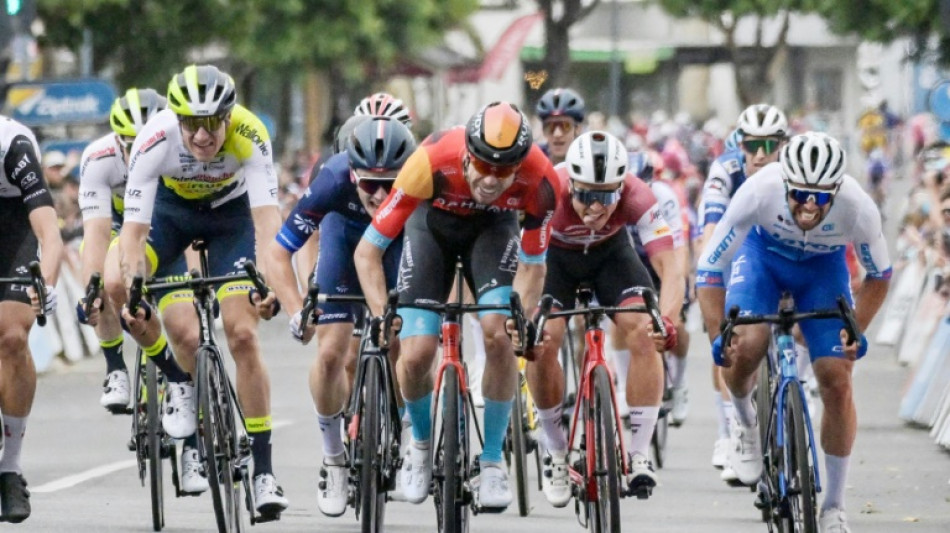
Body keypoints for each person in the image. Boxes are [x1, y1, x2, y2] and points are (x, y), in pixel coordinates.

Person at [354, 101, 559, 510]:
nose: (490, 178)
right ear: (467, 152)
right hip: (431, 229)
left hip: (493, 232)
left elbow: (534, 267)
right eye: (482, 164)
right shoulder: (428, 163)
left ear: (520, 167)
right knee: (414, 354)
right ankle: (421, 444)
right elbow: (367, 253)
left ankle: (493, 459)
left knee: (499, 335)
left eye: (503, 171)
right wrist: (382, 315)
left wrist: (523, 317)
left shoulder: (543, 182)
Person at [696, 132, 891, 533]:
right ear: (785, 183)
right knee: (746, 345)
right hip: (762, 261)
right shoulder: (758, 191)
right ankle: (746, 425)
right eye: (799, 193)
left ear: (836, 192)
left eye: (820, 197)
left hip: (822, 271)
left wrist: (858, 327)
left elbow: (879, 275)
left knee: (837, 380)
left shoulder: (858, 208)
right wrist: (719, 333)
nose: (807, 205)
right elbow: (709, 269)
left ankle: (834, 506)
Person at [114, 64, 288, 514]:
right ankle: (177, 380)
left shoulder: (251, 133)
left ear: (228, 117)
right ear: (177, 120)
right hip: (170, 216)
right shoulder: (155, 139)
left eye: (212, 123)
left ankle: (265, 471)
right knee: (116, 282)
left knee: (243, 333)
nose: (202, 136)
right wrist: (135, 284)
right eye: (191, 124)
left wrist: (267, 282)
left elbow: (268, 223)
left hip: (231, 220)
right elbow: (132, 232)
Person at [265, 116, 415, 517]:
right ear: (353, 173)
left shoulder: (421, 179)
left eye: (391, 184)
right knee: (332, 352)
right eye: (369, 184)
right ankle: (333, 458)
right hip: (344, 242)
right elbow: (279, 253)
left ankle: (398, 436)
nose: (381, 195)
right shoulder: (332, 178)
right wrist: (298, 311)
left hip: (397, 244)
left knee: (403, 343)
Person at [519, 132, 679, 507]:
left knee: (643, 329)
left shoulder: (638, 195)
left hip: (611, 256)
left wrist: (666, 321)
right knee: (545, 341)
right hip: (555, 261)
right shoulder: (547, 192)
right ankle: (556, 451)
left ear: (621, 189)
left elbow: (669, 268)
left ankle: (639, 452)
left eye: (606, 196)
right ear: (570, 184)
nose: (596, 207)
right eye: (586, 195)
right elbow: (528, 270)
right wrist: (527, 323)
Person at [697, 103, 788, 476]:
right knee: (726, 337)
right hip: (733, 249)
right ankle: (731, 427)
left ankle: (800, 385)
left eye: (770, 144)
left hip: (780, 251)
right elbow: (710, 236)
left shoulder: (796, 167)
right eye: (753, 145)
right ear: (740, 145)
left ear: (784, 144)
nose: (762, 154)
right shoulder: (726, 170)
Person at [77, 87, 172, 413]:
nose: (141, 151)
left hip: (163, 224)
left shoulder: (177, 153)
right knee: (101, 278)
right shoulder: (98, 157)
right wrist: (91, 288)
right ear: (117, 140)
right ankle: (115, 367)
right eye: (131, 144)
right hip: (118, 224)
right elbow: (97, 229)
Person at [0, 115, 64, 522]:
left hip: (15, 226)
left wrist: (48, 285)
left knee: (11, 336)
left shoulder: (14, 145)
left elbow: (50, 235)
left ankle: (10, 468)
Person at [615, 150, 691, 425]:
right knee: (618, 320)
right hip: (631, 260)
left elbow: (678, 254)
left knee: (678, 324)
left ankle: (679, 384)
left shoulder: (665, 198)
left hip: (662, 256)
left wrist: (679, 289)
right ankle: (624, 386)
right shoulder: (613, 196)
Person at [536, 87, 585, 165]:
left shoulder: (589, 160)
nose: (557, 134)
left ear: (577, 129)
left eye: (565, 126)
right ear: (543, 130)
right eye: (550, 126)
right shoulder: (533, 160)